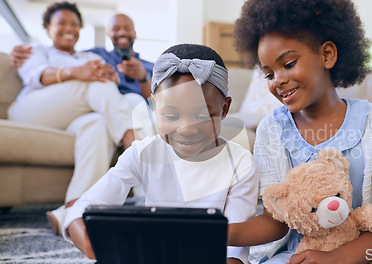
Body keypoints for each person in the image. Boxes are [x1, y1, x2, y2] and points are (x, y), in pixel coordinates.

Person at [228, 0, 372, 263]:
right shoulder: (271, 130)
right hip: (302, 255)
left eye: (288, 64)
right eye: (268, 74)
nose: (278, 81)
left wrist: (339, 258)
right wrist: (220, 233)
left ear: (327, 55)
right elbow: (277, 221)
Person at [62, 44, 259, 264]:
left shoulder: (241, 164)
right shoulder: (142, 153)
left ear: (224, 109)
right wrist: (90, 244)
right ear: (155, 106)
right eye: (171, 115)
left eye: (203, 115)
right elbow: (80, 208)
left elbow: (234, 253)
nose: (186, 129)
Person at [8, 1, 137, 236]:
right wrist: (77, 73)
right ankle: (134, 145)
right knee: (94, 81)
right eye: (61, 23)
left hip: (72, 119)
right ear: (48, 28)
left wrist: (111, 78)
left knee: (97, 125)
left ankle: (73, 210)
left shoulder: (87, 56)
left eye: (75, 24)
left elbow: (107, 87)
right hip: (30, 111)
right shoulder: (37, 50)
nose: (69, 28)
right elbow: (37, 75)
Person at [10, 13, 156, 138]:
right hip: (38, 106)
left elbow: (159, 103)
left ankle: (142, 153)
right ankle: (133, 146)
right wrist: (14, 51)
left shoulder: (151, 66)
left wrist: (143, 78)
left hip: (116, 110)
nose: (122, 32)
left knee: (124, 106)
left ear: (135, 33)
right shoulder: (98, 55)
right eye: (116, 28)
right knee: (98, 79)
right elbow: (37, 72)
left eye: (127, 28)